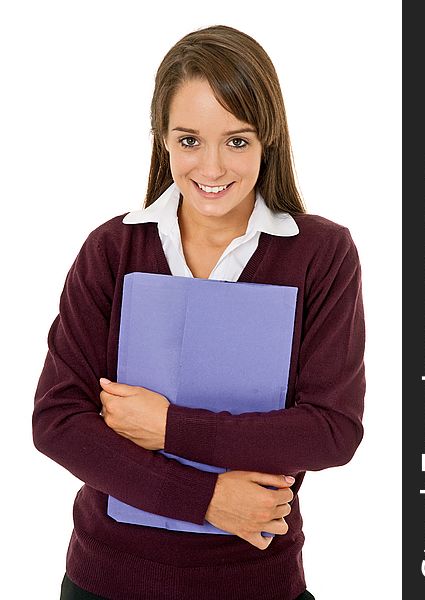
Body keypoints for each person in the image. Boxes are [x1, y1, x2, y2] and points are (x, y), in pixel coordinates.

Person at [32, 24, 365, 600]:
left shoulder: (320, 255)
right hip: (107, 582)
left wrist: (169, 428)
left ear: (270, 140)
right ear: (162, 138)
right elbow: (59, 423)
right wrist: (206, 499)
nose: (211, 169)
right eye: (190, 140)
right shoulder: (113, 251)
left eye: (236, 140)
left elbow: (331, 431)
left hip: (255, 583)